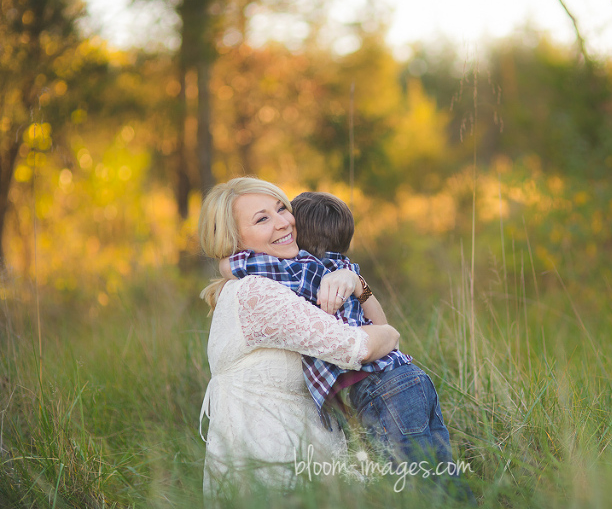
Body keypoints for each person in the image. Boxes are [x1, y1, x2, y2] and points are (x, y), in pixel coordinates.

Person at [222, 191, 475, 501]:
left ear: (299, 233)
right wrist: (357, 281)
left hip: (383, 387)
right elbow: (383, 328)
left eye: (285, 216)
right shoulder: (344, 266)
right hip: (407, 376)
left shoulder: (302, 271)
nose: (283, 226)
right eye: (265, 218)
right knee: (441, 474)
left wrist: (223, 263)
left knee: (415, 487)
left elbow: (238, 263)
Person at [197, 177, 400, 499]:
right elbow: (359, 346)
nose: (283, 223)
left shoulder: (291, 280)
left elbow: (375, 338)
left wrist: (354, 281)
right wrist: (390, 333)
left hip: (314, 455)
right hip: (270, 462)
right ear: (234, 240)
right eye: (262, 219)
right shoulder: (255, 292)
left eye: (282, 209)